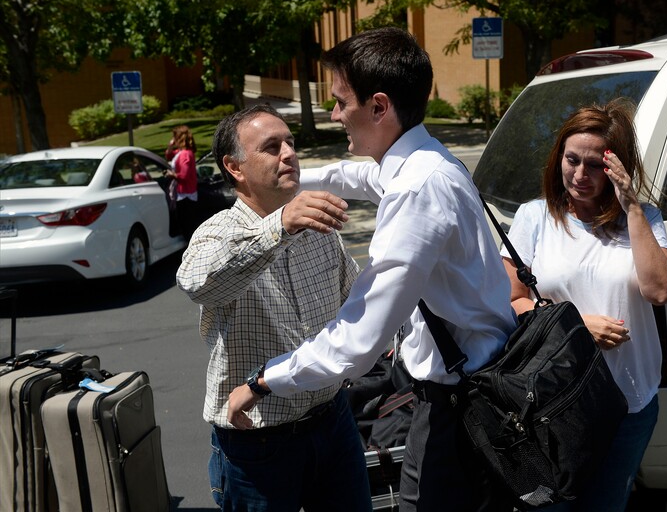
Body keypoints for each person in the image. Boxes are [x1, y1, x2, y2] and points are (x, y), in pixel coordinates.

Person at [227, 27, 518, 511]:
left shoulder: (417, 189)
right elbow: (358, 175)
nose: (334, 113)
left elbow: (357, 339)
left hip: (456, 411)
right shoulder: (421, 160)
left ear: (379, 106)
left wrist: (261, 381)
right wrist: (282, 179)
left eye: (341, 101)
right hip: (469, 389)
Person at [176, 104, 372, 511]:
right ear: (235, 167)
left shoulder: (318, 227)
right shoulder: (217, 232)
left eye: (290, 143)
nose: (288, 154)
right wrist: (279, 226)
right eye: (271, 147)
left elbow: (356, 299)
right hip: (258, 443)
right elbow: (197, 283)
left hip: (333, 422)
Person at [501, 98, 667, 511]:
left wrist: (631, 204)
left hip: (628, 403)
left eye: (596, 165)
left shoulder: (644, 219)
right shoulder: (535, 218)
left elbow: (660, 291)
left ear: (617, 169)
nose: (580, 175)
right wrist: (576, 328)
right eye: (572, 160)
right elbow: (510, 301)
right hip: (553, 406)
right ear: (558, 157)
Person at [165, 125, 199, 241]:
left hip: (186, 195)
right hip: (182, 194)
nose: (173, 139)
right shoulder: (180, 152)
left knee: (187, 227)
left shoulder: (185, 154)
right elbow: (168, 156)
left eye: (174, 136)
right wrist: (170, 146)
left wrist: (171, 174)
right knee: (185, 226)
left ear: (178, 138)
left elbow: (183, 175)